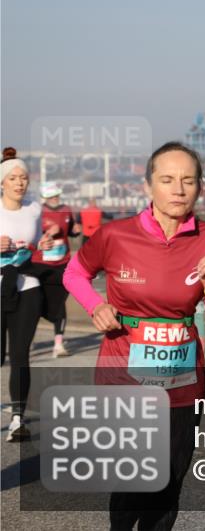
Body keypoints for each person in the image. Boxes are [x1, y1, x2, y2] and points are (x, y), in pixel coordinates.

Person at [63, 141, 205, 529]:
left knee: (171, 479)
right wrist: (97, 306)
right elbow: (74, 274)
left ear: (199, 187)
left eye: (188, 181)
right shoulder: (116, 235)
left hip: (182, 375)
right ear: (148, 186)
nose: (178, 190)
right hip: (124, 370)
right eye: (168, 180)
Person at [1, 147, 57, 442]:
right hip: (0, 288)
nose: (20, 183)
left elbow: (36, 246)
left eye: (24, 177)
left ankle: (17, 420)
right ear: (2, 182)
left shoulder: (35, 209)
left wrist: (43, 245)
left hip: (27, 288)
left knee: (21, 355)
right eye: (14, 178)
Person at [32, 182, 81, 357]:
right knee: (36, 303)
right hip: (40, 265)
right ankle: (29, 338)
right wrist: (47, 232)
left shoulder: (66, 209)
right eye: (51, 196)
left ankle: (58, 345)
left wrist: (75, 231)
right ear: (45, 198)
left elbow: (71, 230)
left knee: (60, 303)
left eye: (57, 195)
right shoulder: (37, 212)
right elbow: (31, 236)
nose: (55, 199)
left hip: (62, 263)